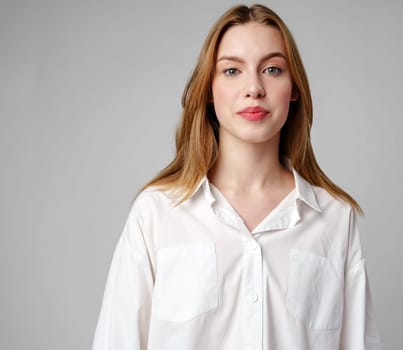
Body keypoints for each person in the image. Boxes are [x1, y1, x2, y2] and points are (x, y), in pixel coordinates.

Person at [92, 4, 382, 350]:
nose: (254, 88)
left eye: (272, 69)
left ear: (294, 88)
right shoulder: (156, 213)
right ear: (209, 90)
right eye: (232, 71)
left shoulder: (334, 219)